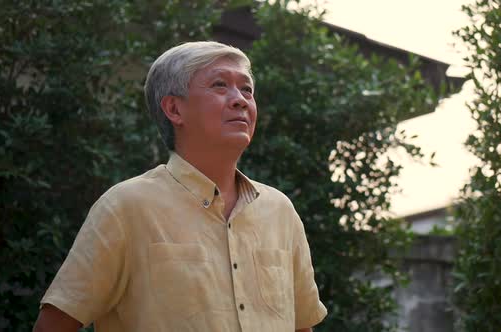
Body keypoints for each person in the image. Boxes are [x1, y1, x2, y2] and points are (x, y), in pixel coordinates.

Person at [33, 41, 327, 332]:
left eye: (247, 89)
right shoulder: (126, 206)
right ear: (174, 109)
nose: (240, 99)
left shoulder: (280, 211)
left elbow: (301, 325)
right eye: (220, 85)